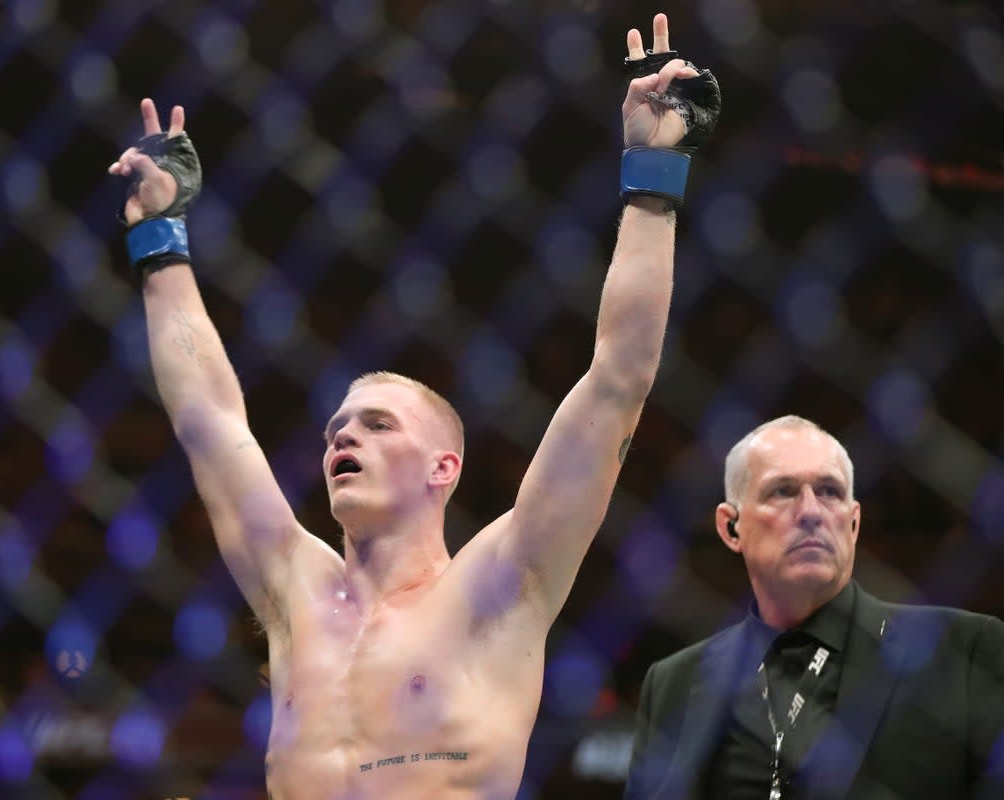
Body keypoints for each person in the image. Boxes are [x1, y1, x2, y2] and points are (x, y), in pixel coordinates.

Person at [110, 13, 719, 799]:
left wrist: (654, 176)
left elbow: (617, 379)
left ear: (445, 466)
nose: (343, 436)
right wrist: (161, 241)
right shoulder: (296, 590)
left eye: (377, 422)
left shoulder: (502, 582)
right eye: (336, 428)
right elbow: (207, 420)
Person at [624, 415, 1004, 800]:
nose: (810, 511)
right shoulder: (674, 682)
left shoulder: (963, 648)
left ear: (853, 524)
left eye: (829, 491)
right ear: (731, 528)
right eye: (782, 491)